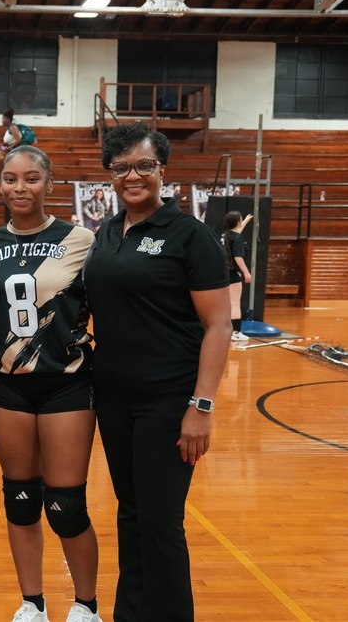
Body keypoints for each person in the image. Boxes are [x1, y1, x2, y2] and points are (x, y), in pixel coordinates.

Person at [83, 122, 231, 622]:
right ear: (110, 175)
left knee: (161, 520)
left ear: (162, 170)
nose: (133, 176)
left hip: (169, 400)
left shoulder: (191, 234)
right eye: (121, 168)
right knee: (131, 514)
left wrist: (201, 407)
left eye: (144, 165)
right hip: (114, 398)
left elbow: (218, 326)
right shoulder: (104, 233)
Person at [0, 146, 101, 622]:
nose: (20, 188)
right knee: (21, 499)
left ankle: (86, 605)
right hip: (7, 385)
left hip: (66, 383)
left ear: (50, 184)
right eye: (10, 179)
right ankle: (32, 603)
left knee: (66, 505)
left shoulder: (81, 241)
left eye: (31, 179)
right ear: (0, 185)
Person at [222, 211, 253, 342]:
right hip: (232, 273)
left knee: (227, 303)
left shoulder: (226, 235)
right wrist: (246, 272)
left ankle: (228, 331)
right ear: (237, 222)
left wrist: (245, 221)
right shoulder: (237, 238)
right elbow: (238, 257)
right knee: (235, 303)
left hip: (223, 273)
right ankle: (236, 332)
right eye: (241, 220)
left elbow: (237, 232)